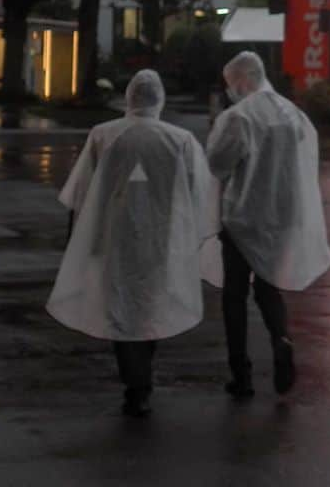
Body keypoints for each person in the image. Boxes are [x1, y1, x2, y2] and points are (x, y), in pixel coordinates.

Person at [47, 70, 215, 417]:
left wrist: (75, 242)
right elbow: (201, 195)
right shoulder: (179, 140)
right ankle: (142, 379)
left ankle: (134, 382)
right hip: (161, 239)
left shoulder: (103, 136)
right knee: (150, 305)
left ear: (129, 97)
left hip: (112, 238)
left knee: (119, 308)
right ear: (160, 99)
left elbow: (81, 194)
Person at [205, 51, 330, 399]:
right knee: (267, 288)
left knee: (234, 295)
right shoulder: (295, 116)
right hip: (282, 220)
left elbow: (217, 163)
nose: (230, 90)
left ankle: (241, 375)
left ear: (243, 80)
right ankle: (281, 339)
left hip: (242, 218)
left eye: (231, 84)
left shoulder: (238, 118)